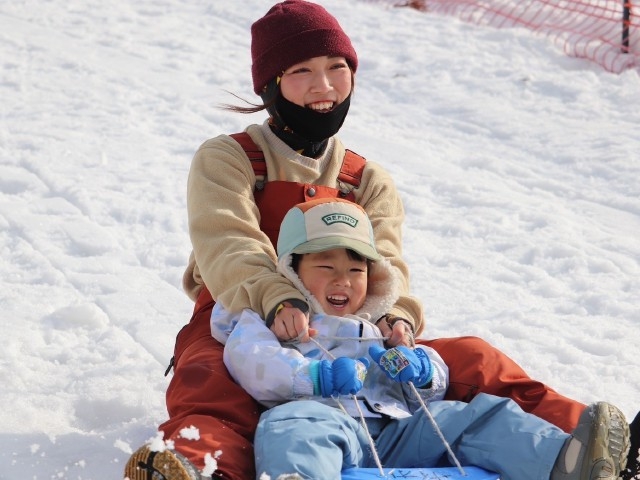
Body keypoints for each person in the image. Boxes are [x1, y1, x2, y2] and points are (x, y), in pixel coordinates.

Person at [122, 1, 639, 479]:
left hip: (351, 324)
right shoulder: (231, 158)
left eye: (337, 67)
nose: (324, 85)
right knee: (211, 381)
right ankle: (198, 466)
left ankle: (591, 452)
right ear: (270, 85)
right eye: (301, 71)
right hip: (239, 313)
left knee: (474, 359)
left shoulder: (364, 178)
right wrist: (276, 298)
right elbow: (227, 241)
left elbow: (386, 260)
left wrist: (394, 316)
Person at [212, 197, 630, 480]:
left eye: (356, 271)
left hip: (398, 430)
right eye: (325, 267)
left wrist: (424, 371)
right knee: (293, 427)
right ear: (292, 270)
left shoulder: (378, 325)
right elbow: (251, 360)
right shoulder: (274, 318)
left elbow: (429, 391)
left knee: (474, 416)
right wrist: (311, 377)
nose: (344, 281)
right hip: (327, 423)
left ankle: (562, 463)